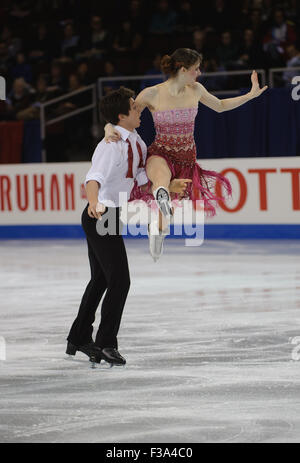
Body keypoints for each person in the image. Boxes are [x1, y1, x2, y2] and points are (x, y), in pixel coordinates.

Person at [66, 87, 188, 366]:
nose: (140, 109)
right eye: (134, 107)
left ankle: (79, 336)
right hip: (100, 214)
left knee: (101, 279)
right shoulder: (110, 145)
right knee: (120, 279)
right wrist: (94, 203)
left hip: (111, 214)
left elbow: (141, 177)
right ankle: (106, 344)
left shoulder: (137, 143)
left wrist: (168, 185)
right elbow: (93, 178)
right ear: (122, 116)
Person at [105, 48, 268, 257]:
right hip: (161, 151)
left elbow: (220, 105)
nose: (199, 73)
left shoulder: (196, 89)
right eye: (195, 69)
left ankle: (157, 230)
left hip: (186, 158)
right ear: (183, 69)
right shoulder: (152, 93)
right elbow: (124, 116)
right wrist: (109, 128)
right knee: (160, 176)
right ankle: (161, 194)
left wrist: (250, 95)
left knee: (165, 218)